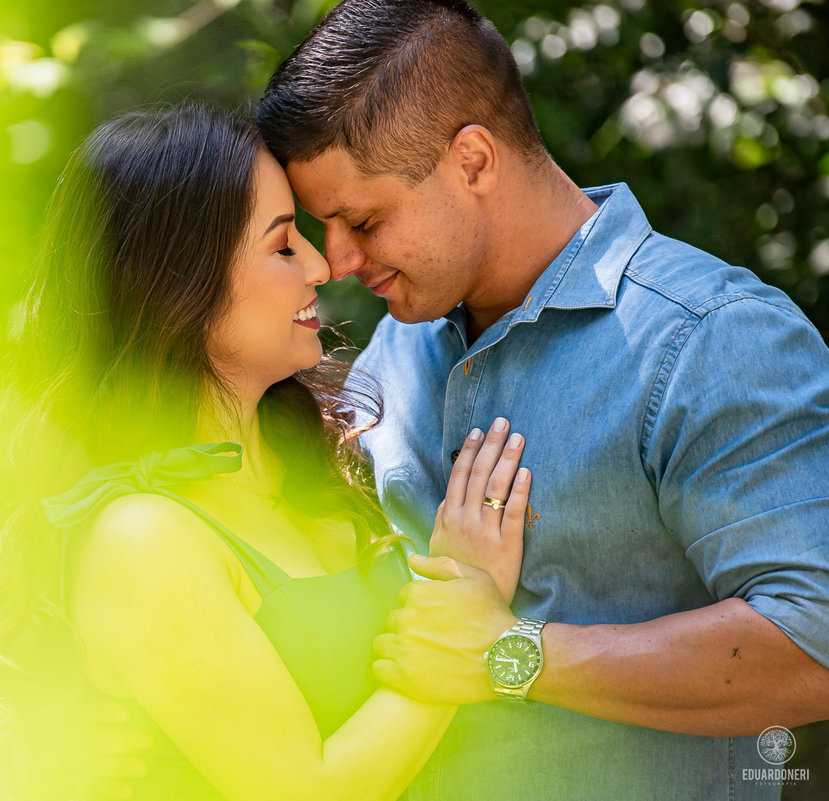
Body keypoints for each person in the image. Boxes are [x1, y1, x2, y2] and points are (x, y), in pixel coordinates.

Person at [253, 1, 829, 799]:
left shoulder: (711, 340)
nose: (338, 260)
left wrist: (511, 653)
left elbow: (814, 641)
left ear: (474, 160)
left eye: (364, 220)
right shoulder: (397, 345)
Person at [0, 105, 534, 801]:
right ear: (181, 284)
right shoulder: (143, 536)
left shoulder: (312, 462)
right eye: (284, 245)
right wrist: (463, 617)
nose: (321, 265)